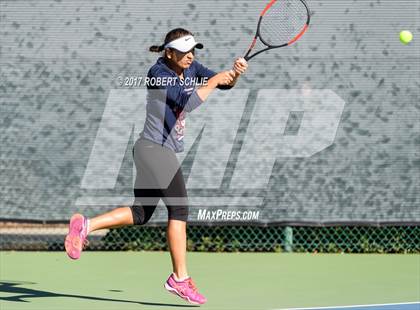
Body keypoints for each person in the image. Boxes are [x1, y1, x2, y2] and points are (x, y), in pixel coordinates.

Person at [64, 28, 248, 305]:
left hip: (150, 150)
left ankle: (85, 226)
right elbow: (189, 100)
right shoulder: (158, 73)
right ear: (169, 52)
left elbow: (221, 82)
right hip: (155, 149)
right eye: (184, 52)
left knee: (141, 212)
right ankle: (180, 279)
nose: (190, 56)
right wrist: (215, 82)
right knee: (180, 209)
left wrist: (234, 75)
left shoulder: (191, 67)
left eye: (193, 51)